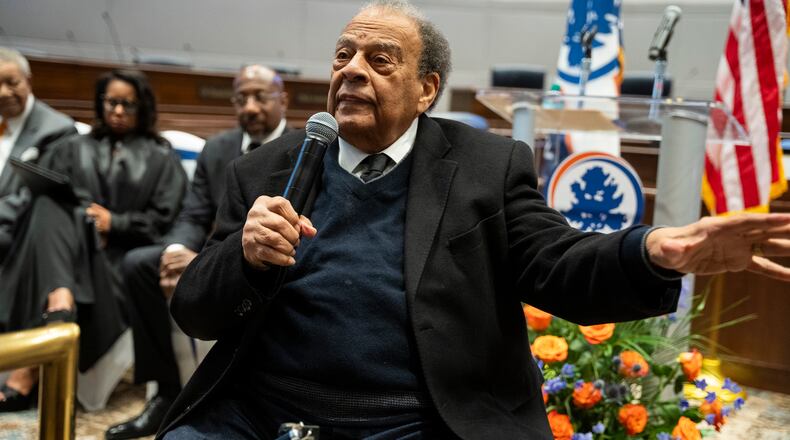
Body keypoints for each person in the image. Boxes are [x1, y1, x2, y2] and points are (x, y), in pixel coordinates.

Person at [160, 1, 790, 439]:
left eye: (379, 60)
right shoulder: (267, 170)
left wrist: (653, 251)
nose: (350, 69)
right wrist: (241, 257)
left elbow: (558, 264)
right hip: (262, 411)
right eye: (343, 55)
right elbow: (195, 310)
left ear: (426, 89)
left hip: (419, 416)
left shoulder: (486, 167)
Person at [105, 64, 290, 440]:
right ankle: (165, 391)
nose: (250, 107)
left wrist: (216, 263)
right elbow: (195, 212)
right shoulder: (218, 148)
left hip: (270, 259)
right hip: (211, 248)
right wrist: (178, 250)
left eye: (260, 97)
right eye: (241, 98)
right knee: (140, 263)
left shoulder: (303, 148)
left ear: (282, 100)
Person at [0, 69, 187, 412]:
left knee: (53, 220)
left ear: (142, 107)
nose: (118, 111)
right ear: (101, 103)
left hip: (114, 264)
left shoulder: (162, 156)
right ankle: (60, 302)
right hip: (64, 252)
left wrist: (113, 222)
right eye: (112, 102)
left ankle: (38, 345)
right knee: (46, 203)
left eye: (128, 105)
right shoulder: (71, 147)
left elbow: (168, 222)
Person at [0, 47, 76, 260]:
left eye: (12, 83)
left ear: (29, 81)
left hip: (18, 229)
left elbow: (37, 195)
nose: (3, 93)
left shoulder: (57, 130)